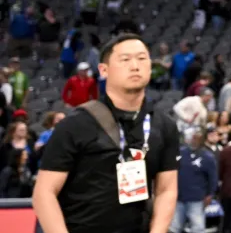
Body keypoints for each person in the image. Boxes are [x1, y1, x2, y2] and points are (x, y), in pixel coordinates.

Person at [33, 33, 180, 233]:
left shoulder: (165, 126)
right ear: (103, 70)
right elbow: (44, 192)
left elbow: (166, 189)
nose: (135, 66)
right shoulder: (75, 124)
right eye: (125, 60)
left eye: (142, 58)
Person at [171, 129, 218, 233]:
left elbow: (213, 178)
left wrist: (210, 195)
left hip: (197, 198)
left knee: (197, 228)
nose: (195, 140)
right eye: (193, 137)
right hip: (179, 197)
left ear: (203, 140)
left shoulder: (208, 157)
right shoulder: (180, 153)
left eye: (198, 138)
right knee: (174, 228)